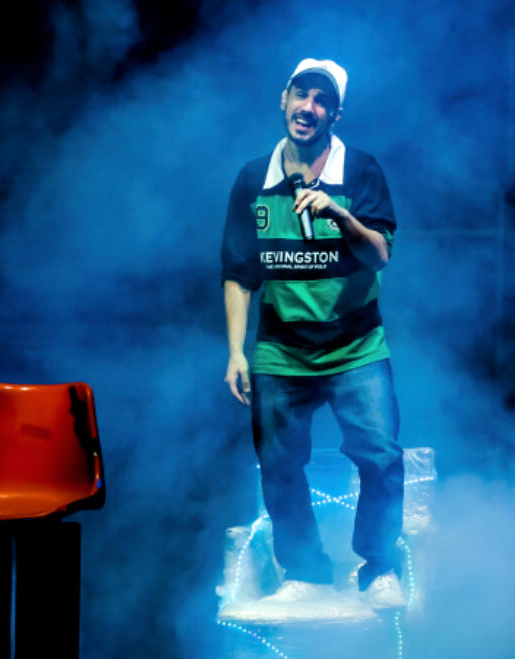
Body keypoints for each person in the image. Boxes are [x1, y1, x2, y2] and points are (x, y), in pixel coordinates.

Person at [220, 58, 405, 609]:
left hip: (355, 347)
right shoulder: (254, 178)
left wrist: (341, 217)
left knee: (381, 456)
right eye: (301, 95)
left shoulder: (360, 169)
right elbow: (239, 273)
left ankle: (379, 569)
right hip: (281, 349)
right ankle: (305, 573)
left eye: (322, 101)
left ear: (336, 114)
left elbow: (380, 256)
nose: (309, 107)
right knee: (279, 464)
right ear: (284, 99)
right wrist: (236, 352)